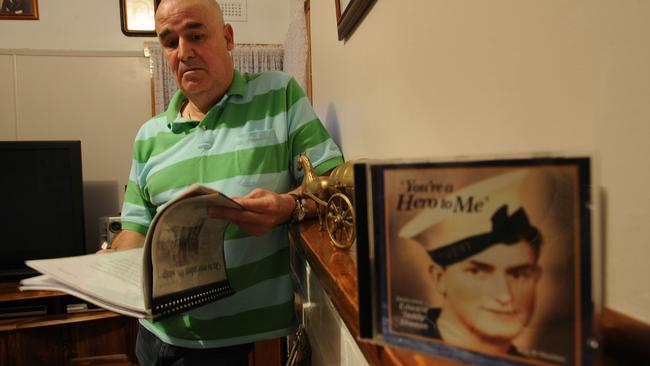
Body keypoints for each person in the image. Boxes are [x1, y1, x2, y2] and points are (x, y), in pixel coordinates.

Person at [102, 0, 344, 364]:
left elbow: (332, 181)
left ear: (228, 37)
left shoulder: (279, 95)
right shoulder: (148, 135)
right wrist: (109, 265)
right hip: (153, 336)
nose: (183, 53)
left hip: (243, 343)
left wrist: (288, 206)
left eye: (196, 35)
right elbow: (135, 228)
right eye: (170, 42)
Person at [423, 204, 543, 356]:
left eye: (518, 274)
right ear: (439, 278)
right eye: (477, 272)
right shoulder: (403, 350)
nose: (504, 296)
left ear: (537, 277)